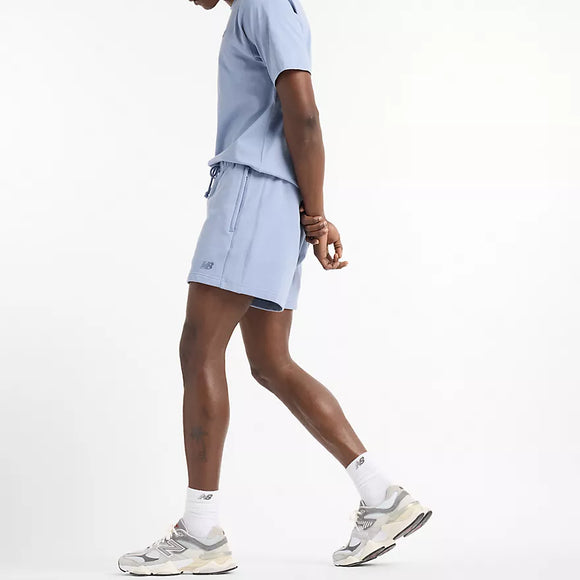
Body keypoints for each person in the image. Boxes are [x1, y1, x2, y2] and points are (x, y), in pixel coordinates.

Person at [118, 0, 431, 574]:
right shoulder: (264, 8)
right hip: (275, 199)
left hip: (254, 193)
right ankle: (381, 496)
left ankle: (201, 533)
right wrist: (310, 211)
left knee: (199, 348)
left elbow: (304, 114)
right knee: (270, 362)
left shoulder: (262, 3)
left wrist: (318, 214)